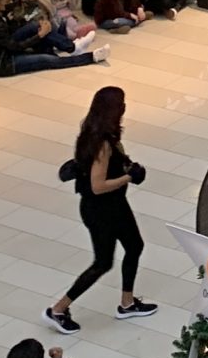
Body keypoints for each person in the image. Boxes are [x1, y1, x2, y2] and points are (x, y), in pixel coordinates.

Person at [45, 88, 155, 333]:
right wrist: (127, 177)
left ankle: (127, 302)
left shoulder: (94, 133)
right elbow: (97, 186)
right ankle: (59, 309)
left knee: (135, 246)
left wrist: (126, 166)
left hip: (113, 206)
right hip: (102, 210)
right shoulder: (102, 144)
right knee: (102, 262)